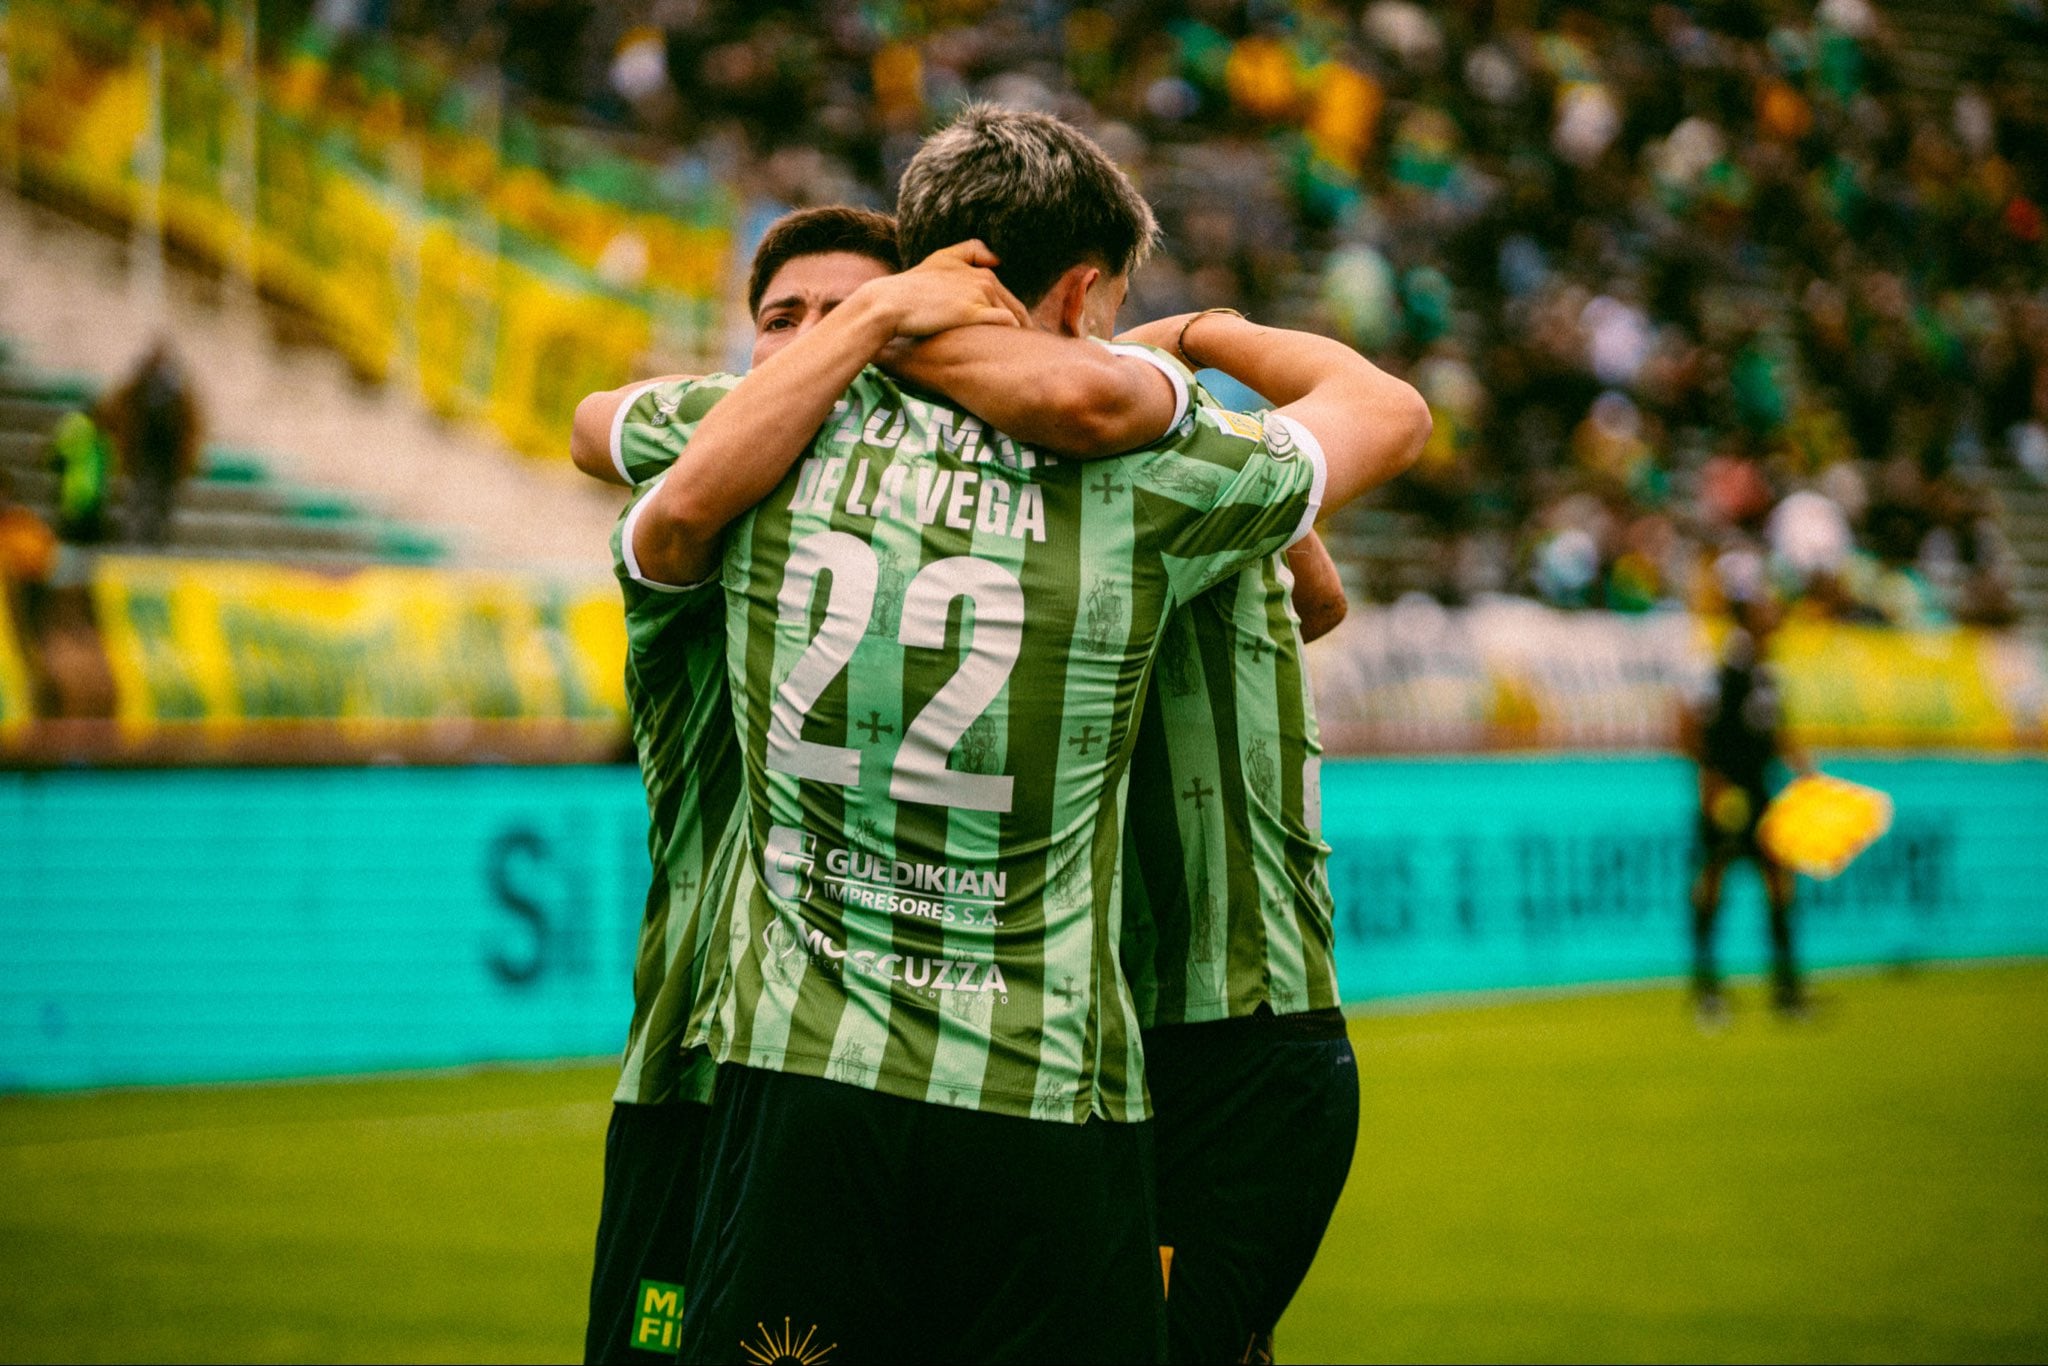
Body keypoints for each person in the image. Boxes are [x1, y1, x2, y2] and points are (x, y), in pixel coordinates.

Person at [636, 106, 1426, 1362]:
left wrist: (870, 332)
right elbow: (1382, 424)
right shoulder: (1159, 471)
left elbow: (607, 440)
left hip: (812, 1069)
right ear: (1077, 292)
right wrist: (1186, 352)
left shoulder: (767, 437)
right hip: (1082, 1063)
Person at [570, 203, 1193, 1362]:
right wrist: (870, 318)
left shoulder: (987, 530)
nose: (817, 336)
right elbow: (597, 424)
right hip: (697, 1073)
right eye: (782, 319)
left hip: (867, 1091)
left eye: (847, 311)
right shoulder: (706, 494)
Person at [1112, 331, 1356, 1360]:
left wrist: (1196, 337)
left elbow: (1381, 417)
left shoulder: (1180, 494)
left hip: (1240, 1032)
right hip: (1148, 1030)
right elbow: (1325, 596)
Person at [1680, 585, 1813, 1023]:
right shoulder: (1727, 672)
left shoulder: (1765, 673)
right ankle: (1706, 990)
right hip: (1729, 791)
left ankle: (1786, 989)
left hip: (1760, 791)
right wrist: (1709, 784)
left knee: (1778, 882)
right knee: (1713, 881)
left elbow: (1772, 732)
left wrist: (1801, 769)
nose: (1774, 617)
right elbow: (1699, 728)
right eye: (1765, 610)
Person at [102, 340, 201, 547]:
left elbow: (191, 424)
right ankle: (135, 543)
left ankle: (156, 544)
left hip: (167, 457)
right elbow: (117, 411)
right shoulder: (139, 386)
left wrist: (187, 454)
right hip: (143, 454)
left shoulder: (178, 391)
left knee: (162, 503)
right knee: (140, 499)